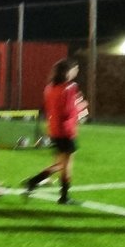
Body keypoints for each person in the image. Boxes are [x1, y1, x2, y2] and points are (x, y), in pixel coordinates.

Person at [24, 59, 87, 204]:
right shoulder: (71, 87)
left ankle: (33, 182)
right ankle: (64, 197)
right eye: (75, 69)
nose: (76, 71)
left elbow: (52, 108)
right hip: (66, 130)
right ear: (68, 72)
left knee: (59, 164)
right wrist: (80, 109)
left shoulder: (50, 87)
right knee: (66, 165)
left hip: (54, 129)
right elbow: (67, 110)